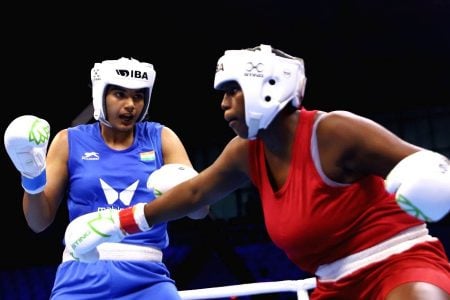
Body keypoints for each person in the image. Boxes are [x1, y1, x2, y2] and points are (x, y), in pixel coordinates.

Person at [64, 45, 450, 299]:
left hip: (398, 263)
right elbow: (197, 194)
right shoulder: (246, 152)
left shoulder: (333, 132)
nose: (224, 104)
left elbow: (430, 167)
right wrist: (118, 222)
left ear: (265, 87)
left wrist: (431, 183)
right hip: (332, 284)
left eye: (232, 91)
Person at [4, 57, 209, 299]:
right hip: (81, 273)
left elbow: (200, 211)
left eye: (138, 96)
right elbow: (38, 223)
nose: (131, 104)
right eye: (120, 94)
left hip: (148, 278)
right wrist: (31, 176)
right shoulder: (68, 141)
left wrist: (183, 186)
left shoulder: (161, 138)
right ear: (100, 95)